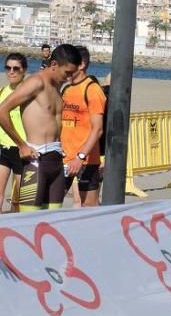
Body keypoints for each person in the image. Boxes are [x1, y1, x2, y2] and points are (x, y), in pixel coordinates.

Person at [0, 44, 80, 212]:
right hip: (36, 162)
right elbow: (2, 111)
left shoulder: (58, 87)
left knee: (53, 221)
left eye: (72, 73)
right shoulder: (36, 82)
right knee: (29, 222)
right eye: (67, 73)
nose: (69, 78)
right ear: (54, 65)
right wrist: (21, 145)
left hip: (56, 162)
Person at [60, 45, 107, 207]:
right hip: (63, 158)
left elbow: (98, 129)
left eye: (69, 62)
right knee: (52, 204)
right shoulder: (66, 89)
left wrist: (80, 157)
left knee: (88, 208)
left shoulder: (92, 89)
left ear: (81, 65)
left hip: (86, 161)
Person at [0, 53, 28, 212]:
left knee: (19, 200)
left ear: (23, 70)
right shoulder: (3, 91)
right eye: (8, 68)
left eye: (16, 68)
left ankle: (15, 229)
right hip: (3, 148)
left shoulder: (27, 93)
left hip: (21, 149)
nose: (11, 72)